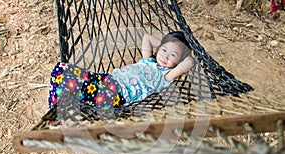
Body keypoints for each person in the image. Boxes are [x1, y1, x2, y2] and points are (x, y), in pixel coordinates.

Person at [48, 31, 195, 112]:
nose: (165, 56)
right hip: (107, 80)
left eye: (173, 55)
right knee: (61, 69)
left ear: (179, 61)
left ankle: (58, 114)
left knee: (74, 87)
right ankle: (55, 109)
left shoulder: (166, 76)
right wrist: (165, 45)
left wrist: (177, 51)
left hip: (118, 94)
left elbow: (190, 62)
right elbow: (147, 38)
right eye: (164, 50)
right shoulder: (148, 60)